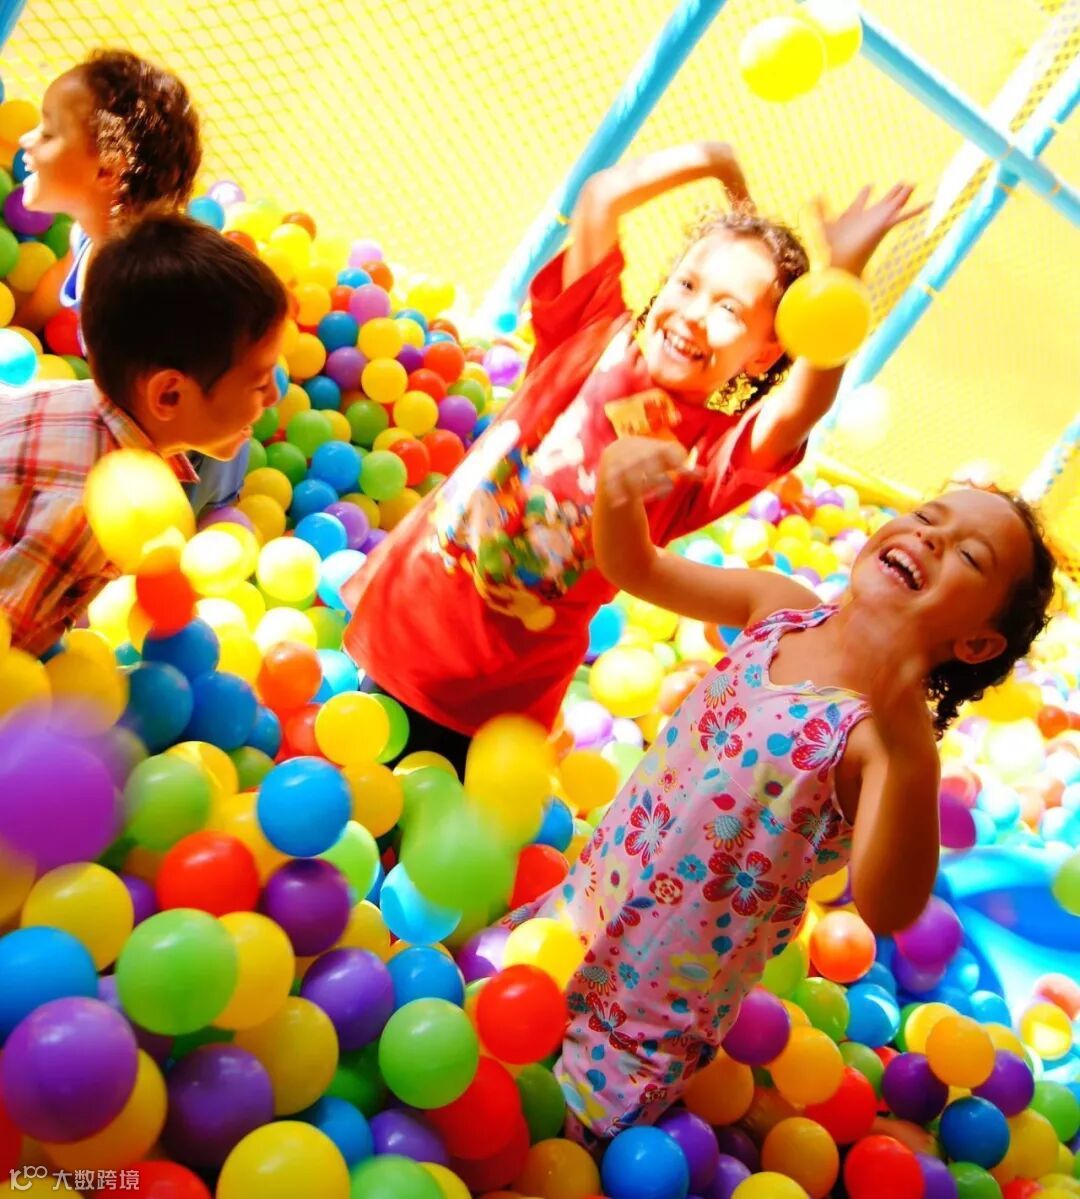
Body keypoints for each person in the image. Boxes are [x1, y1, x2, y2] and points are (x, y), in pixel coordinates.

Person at [507, 439, 1056, 1140]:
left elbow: (889, 903)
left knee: (526, 1142)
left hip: (640, 1025)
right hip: (568, 920)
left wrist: (912, 752)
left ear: (976, 644)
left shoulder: (881, 744)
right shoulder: (780, 607)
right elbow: (635, 566)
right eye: (927, 516)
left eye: (969, 555)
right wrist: (615, 491)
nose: (930, 538)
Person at [342, 140, 925, 773]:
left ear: (763, 354)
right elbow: (600, 199)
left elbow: (801, 407)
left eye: (729, 309)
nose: (694, 315)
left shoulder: (705, 454)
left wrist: (842, 276)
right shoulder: (592, 332)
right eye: (688, 284)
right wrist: (712, 159)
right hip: (401, 621)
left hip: (485, 698)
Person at [0, 215, 288, 656]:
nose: (274, 395)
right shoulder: (90, 513)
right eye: (259, 382)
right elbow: (8, 646)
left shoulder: (77, 400)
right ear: (169, 394)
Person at [15, 49, 247, 513]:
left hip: (181, 464)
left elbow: (209, 400)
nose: (26, 139)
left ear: (106, 170)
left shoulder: (149, 290)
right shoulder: (91, 234)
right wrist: (18, 327)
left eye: (48, 132)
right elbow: (57, 283)